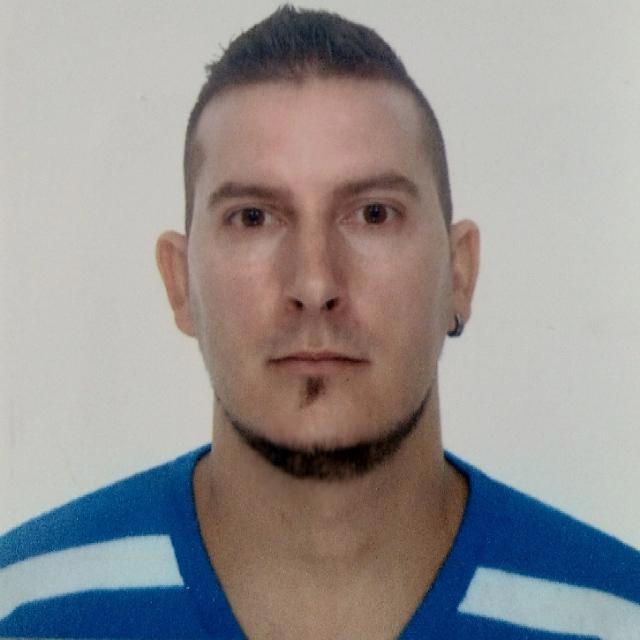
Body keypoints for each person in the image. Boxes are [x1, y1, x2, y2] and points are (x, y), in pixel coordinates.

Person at [1, 5, 638, 639]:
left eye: (374, 214)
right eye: (253, 217)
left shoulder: (617, 618)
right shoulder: (22, 609)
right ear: (180, 282)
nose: (314, 284)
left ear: (460, 273)